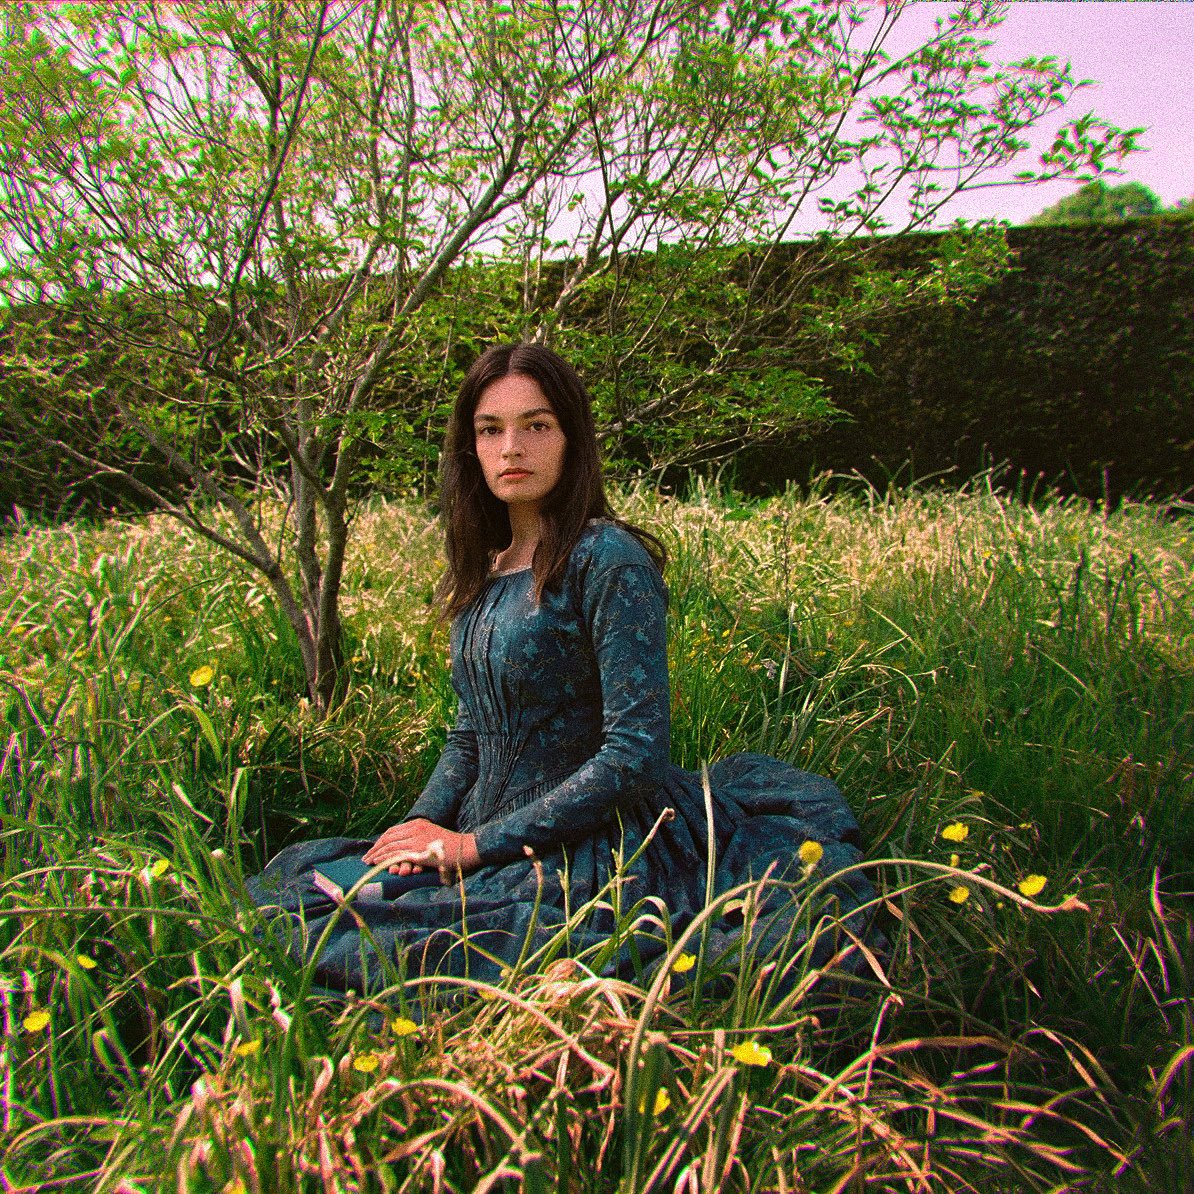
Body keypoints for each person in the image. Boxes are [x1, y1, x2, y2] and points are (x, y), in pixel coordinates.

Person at [248, 344, 875, 997]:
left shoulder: (607, 558)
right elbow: (471, 734)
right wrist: (417, 831)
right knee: (310, 898)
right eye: (491, 429)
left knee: (425, 960)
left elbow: (634, 755)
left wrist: (475, 847)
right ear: (472, 446)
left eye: (536, 425)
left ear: (571, 438)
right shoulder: (486, 564)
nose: (511, 446)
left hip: (594, 844)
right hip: (485, 833)